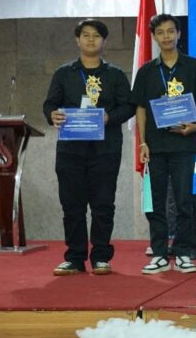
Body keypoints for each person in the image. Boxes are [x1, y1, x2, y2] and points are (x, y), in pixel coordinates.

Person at [43, 19, 134, 276]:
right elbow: (49, 104)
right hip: (71, 150)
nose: (91, 39)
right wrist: (52, 115)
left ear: (104, 41)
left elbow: (128, 106)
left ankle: (101, 257)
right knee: (72, 206)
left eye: (96, 35)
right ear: (77, 40)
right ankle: (74, 258)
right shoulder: (64, 73)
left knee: (103, 205)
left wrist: (109, 117)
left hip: (105, 150)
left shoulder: (115, 75)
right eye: (86, 35)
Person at [130, 13, 196, 274]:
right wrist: (143, 142)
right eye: (160, 32)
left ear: (179, 34)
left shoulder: (193, 66)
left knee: (183, 200)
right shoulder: (146, 71)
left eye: (170, 31)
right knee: (156, 202)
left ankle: (183, 252)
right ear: (154, 37)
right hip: (156, 145)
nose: (166, 36)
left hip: (184, 145)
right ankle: (159, 254)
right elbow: (140, 108)